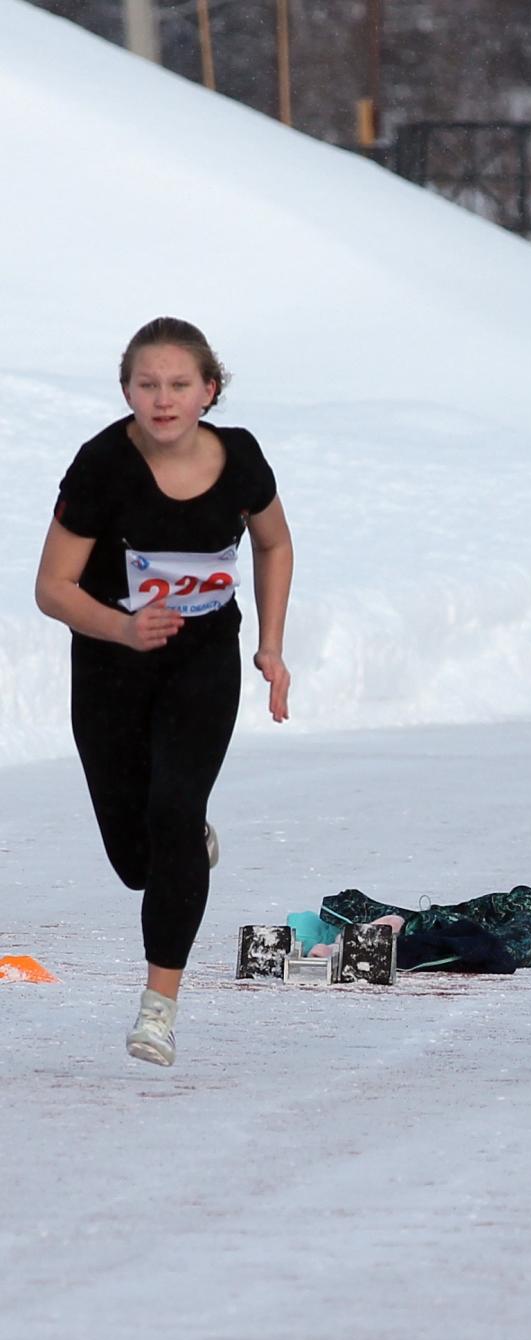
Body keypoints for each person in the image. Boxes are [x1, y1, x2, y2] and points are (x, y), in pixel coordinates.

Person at [32, 317, 295, 1067]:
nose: (163, 397)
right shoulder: (101, 466)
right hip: (112, 666)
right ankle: (178, 849)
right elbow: (51, 587)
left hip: (201, 660)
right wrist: (120, 628)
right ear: (126, 391)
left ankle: (159, 1008)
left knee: (174, 813)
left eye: (180, 383)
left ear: (210, 390)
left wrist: (269, 646)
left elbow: (274, 542)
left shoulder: (240, 459)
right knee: (134, 857)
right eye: (147, 384)